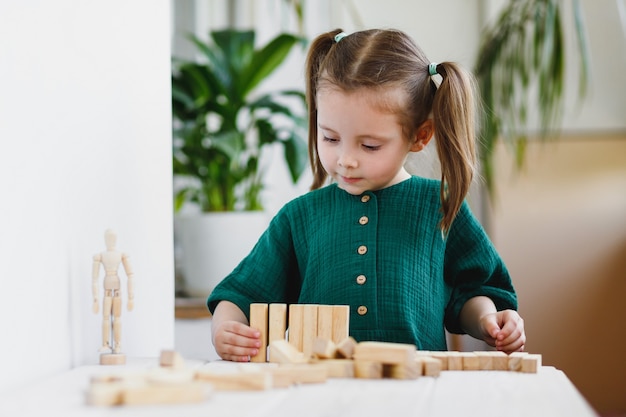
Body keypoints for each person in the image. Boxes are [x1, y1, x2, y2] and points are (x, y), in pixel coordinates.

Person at [207, 28, 526, 362]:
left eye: (369, 145)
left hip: (415, 395)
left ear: (420, 136)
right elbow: (241, 293)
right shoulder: (299, 217)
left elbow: (473, 290)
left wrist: (488, 320)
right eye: (330, 138)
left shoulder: (441, 208)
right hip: (318, 396)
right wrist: (225, 327)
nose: (345, 158)